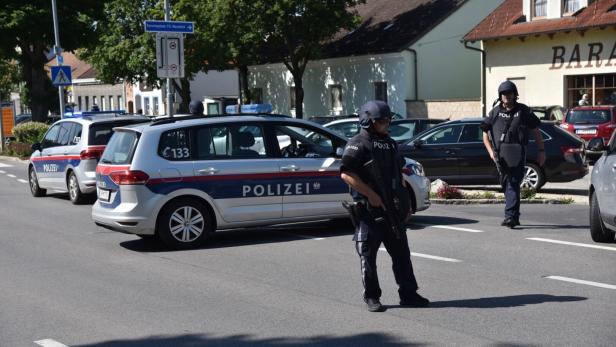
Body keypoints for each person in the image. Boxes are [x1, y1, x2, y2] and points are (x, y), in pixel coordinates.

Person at [340, 100, 429, 312]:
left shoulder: (390, 143)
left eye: (388, 120)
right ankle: (372, 296)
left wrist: (404, 204)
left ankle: (408, 293)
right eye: (381, 120)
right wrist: (370, 195)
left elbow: (397, 176)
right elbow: (346, 173)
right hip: (369, 210)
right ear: (368, 121)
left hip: (392, 208)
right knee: (368, 255)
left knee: (402, 254)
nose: (386, 123)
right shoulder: (357, 143)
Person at [481, 81, 545, 228]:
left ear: (515, 94)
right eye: (504, 94)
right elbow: (485, 133)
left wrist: (541, 151)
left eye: (509, 93)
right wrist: (491, 152)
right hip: (500, 153)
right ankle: (513, 216)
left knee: (513, 183)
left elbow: (536, 131)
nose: (507, 96)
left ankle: (511, 217)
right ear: (500, 96)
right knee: (505, 184)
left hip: (517, 150)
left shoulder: (523, 111)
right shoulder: (495, 112)